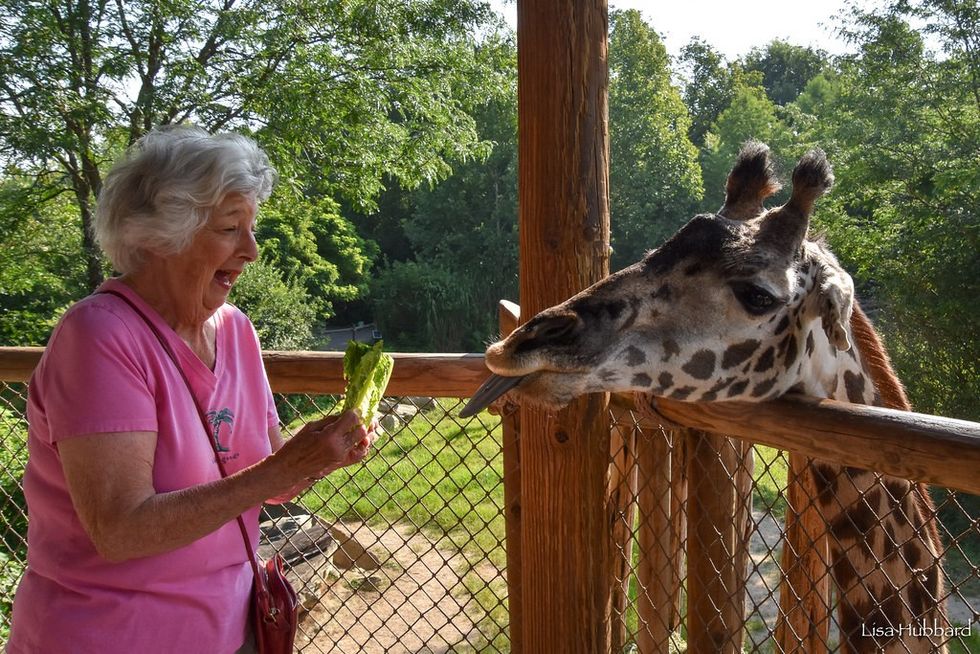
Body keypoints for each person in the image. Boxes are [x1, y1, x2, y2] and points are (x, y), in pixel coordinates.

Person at [6, 125, 377, 653]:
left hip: (231, 630)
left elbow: (268, 478)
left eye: (251, 228)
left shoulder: (236, 329)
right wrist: (286, 467)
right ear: (162, 236)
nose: (250, 250)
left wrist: (323, 452)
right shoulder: (99, 336)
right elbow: (121, 530)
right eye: (231, 228)